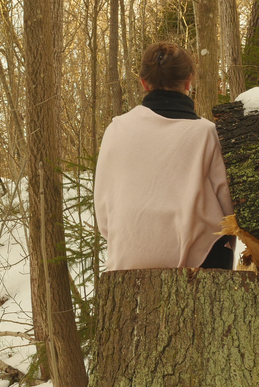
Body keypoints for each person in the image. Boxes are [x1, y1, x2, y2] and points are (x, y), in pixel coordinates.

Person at [94, 42, 236, 271]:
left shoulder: (116, 129)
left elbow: (103, 216)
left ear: (143, 82)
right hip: (199, 264)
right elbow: (229, 211)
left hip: (126, 262)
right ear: (188, 81)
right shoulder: (207, 133)